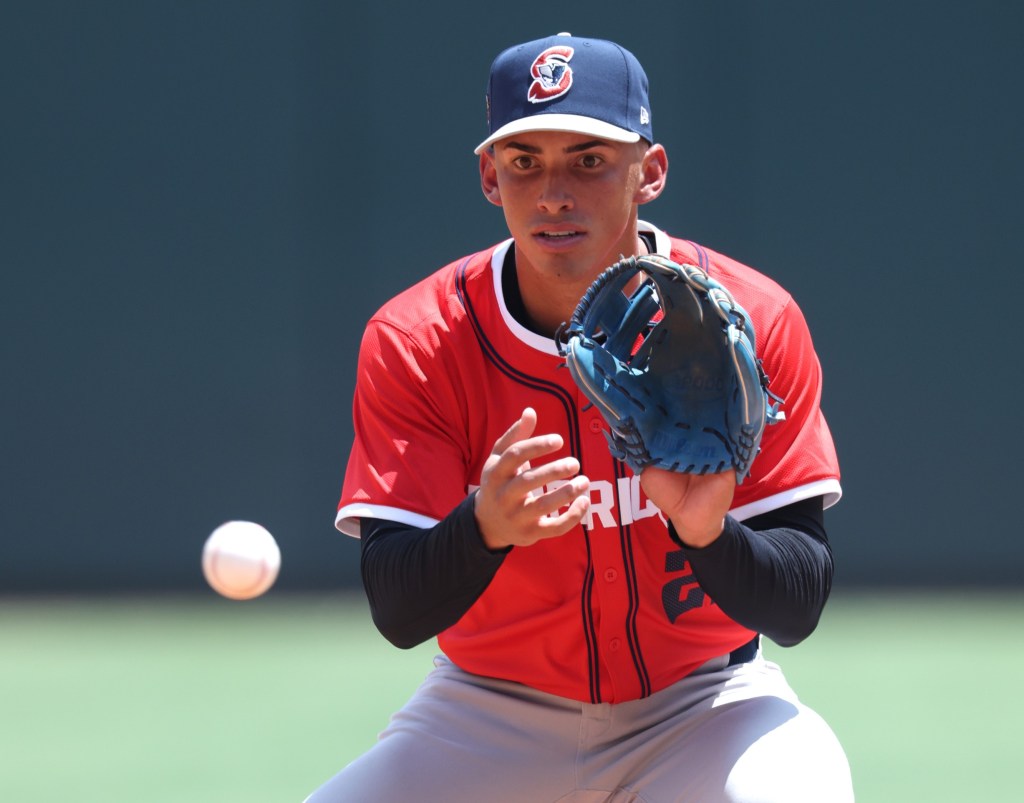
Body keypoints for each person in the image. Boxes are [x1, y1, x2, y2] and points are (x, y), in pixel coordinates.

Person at [307, 32, 854, 803]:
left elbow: (798, 605)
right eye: (525, 161)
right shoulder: (420, 337)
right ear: (490, 177)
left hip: (701, 707)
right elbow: (398, 610)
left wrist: (709, 534)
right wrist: (483, 527)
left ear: (650, 172)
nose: (553, 192)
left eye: (589, 159)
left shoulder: (748, 319)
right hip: (488, 710)